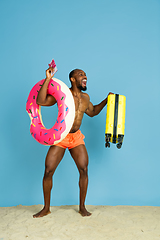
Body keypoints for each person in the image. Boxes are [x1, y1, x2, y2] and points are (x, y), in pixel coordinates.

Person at [33, 67, 113, 218]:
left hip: (76, 137)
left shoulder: (86, 98)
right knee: (48, 170)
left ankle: (82, 207)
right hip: (61, 136)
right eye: (81, 74)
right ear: (72, 79)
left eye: (85, 74)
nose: (85, 76)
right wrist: (48, 79)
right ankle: (46, 208)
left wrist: (106, 101)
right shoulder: (63, 94)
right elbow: (41, 101)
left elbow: (93, 112)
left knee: (83, 170)